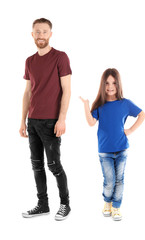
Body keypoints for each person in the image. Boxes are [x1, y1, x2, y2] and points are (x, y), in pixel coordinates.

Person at [20, 18, 72, 221]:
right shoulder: (29, 61)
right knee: (36, 165)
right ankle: (42, 205)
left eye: (44, 32)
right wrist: (22, 121)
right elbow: (27, 92)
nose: (40, 35)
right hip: (32, 121)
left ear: (50, 34)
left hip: (51, 121)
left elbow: (67, 90)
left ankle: (65, 204)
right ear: (32, 34)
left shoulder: (60, 57)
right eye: (37, 32)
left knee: (54, 165)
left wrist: (62, 119)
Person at [80, 68, 145, 221]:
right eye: (107, 83)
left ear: (118, 84)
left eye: (114, 83)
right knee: (109, 181)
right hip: (105, 151)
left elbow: (142, 115)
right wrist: (86, 105)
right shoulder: (99, 105)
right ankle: (107, 203)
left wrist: (130, 130)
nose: (110, 86)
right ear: (103, 85)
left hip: (122, 149)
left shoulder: (125, 103)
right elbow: (90, 123)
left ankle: (116, 207)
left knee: (119, 180)